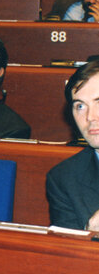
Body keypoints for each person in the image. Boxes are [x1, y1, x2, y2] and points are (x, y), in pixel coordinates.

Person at [46, 60, 99, 230]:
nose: (90, 117)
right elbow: (67, 251)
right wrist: (89, 232)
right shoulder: (64, 178)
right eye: (80, 106)